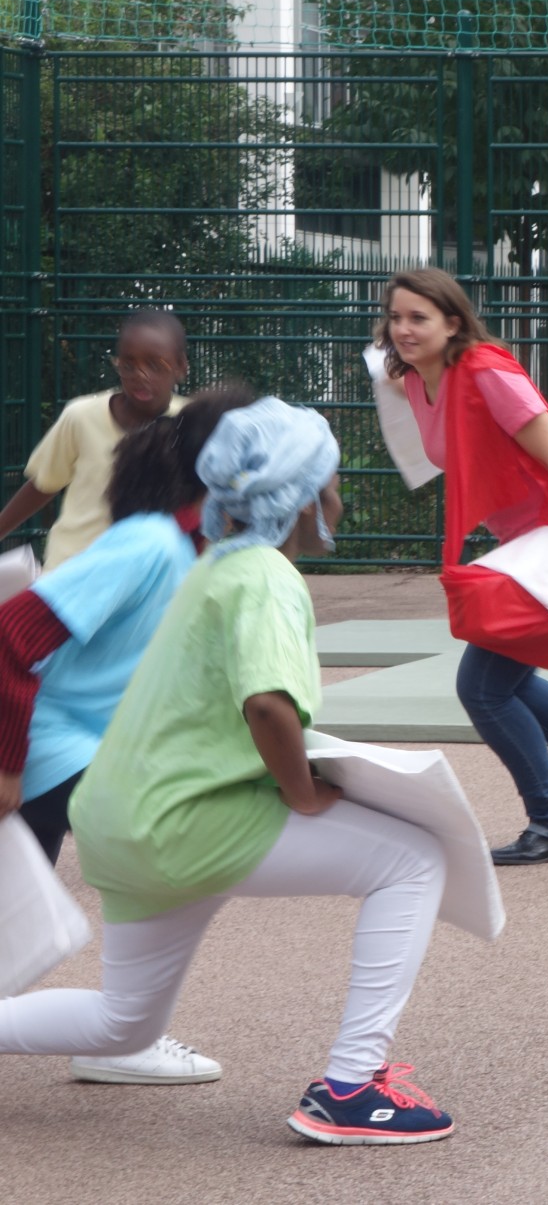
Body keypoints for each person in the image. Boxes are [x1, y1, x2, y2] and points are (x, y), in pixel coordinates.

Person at [0, 398, 456, 1145]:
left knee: (123, 1021)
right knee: (414, 857)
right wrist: (303, 792)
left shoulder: (210, 564)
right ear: (303, 494)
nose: (337, 493)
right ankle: (350, 1086)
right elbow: (269, 706)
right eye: (331, 477)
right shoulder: (267, 577)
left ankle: (351, 1084)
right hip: (181, 819)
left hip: (123, 820)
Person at [0, 385, 255, 1085]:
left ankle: (121, 1033)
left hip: (84, 747)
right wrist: (8, 764)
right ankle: (122, 1034)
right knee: (166, 852)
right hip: (55, 747)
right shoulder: (150, 543)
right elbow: (13, 632)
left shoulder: (200, 546)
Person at [374, 268, 548, 865]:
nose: (403, 328)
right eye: (395, 316)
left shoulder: (485, 371)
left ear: (453, 323)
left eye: (419, 318)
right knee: (510, 682)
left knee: (482, 688)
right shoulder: (410, 378)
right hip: (522, 544)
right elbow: (391, 380)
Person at [0, 309, 190, 570]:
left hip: (146, 583)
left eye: (156, 365)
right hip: (70, 574)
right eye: (128, 364)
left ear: (181, 366)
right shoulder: (81, 416)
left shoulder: (192, 425)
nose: (140, 375)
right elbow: (44, 483)